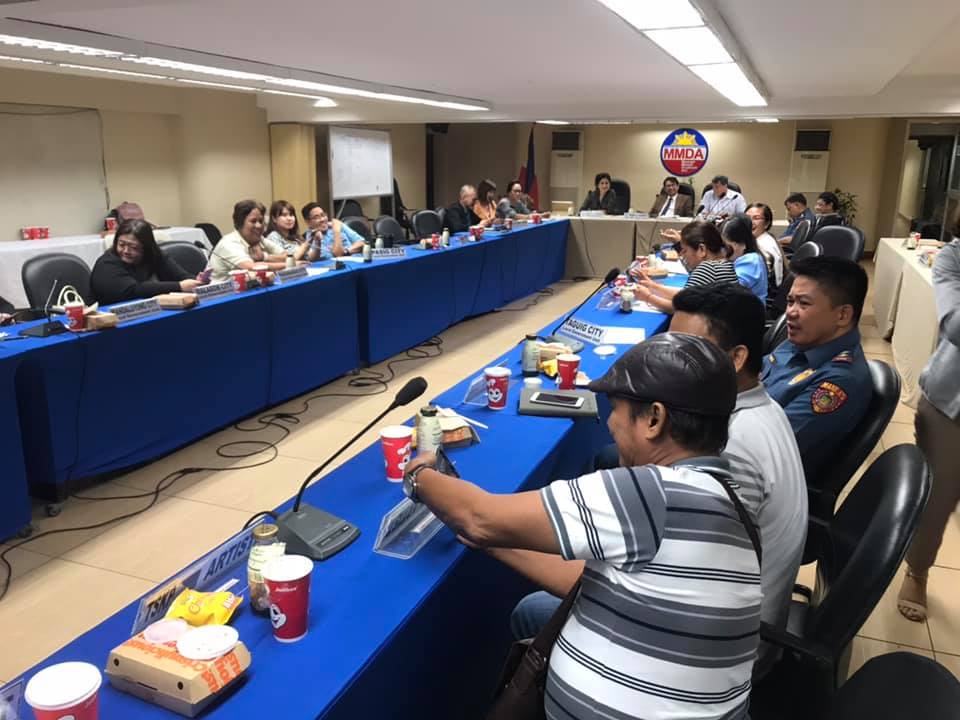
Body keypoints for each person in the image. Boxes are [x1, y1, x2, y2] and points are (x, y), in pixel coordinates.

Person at [403, 333, 761, 720]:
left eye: (616, 409)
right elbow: (592, 580)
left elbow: (478, 516)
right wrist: (493, 543)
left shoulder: (650, 492)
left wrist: (420, 475)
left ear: (654, 419)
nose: (610, 424)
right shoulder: (729, 498)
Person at [670, 283, 808, 678]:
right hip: (742, 616)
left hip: (726, 650)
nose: (669, 362)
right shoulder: (762, 408)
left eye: (687, 352)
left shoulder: (731, 446)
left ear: (735, 358)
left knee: (536, 609)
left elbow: (686, 572)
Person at [897, 212, 960, 623]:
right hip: (951, 403)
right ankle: (917, 571)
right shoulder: (954, 258)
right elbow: (955, 325)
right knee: (938, 498)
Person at [762, 256, 872, 478]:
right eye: (790, 301)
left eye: (804, 303)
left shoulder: (839, 382)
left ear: (843, 315)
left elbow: (767, 448)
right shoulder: (803, 339)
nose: (790, 312)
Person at [632, 220, 739, 313]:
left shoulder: (708, 268)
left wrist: (647, 297)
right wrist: (653, 286)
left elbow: (680, 308)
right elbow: (685, 295)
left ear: (702, 249)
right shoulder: (724, 263)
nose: (681, 255)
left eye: (685, 250)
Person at [91, 218, 206, 304]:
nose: (126, 251)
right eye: (121, 244)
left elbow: (181, 276)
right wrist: (179, 286)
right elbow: (134, 290)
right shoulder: (106, 263)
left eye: (133, 247)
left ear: (146, 247)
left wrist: (197, 281)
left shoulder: (155, 255)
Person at [207, 200, 288, 281]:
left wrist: (265, 256)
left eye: (261, 221)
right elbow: (253, 268)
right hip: (223, 289)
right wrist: (289, 264)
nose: (259, 226)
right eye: (253, 221)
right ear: (240, 223)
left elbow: (287, 256)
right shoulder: (228, 243)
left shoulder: (259, 238)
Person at [722, 214, 769, 305]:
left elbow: (728, 290)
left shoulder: (751, 261)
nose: (723, 251)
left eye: (726, 247)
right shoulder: (741, 258)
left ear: (741, 244)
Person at [747, 202, 786, 304]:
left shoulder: (763, 247)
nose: (750, 222)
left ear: (767, 224)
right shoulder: (766, 237)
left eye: (756, 218)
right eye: (747, 218)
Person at [298, 202, 365, 261]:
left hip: (357, 261)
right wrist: (337, 232)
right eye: (316, 217)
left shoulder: (336, 224)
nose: (322, 219)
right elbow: (338, 255)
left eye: (323, 215)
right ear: (308, 222)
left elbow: (362, 242)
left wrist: (347, 251)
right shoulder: (312, 237)